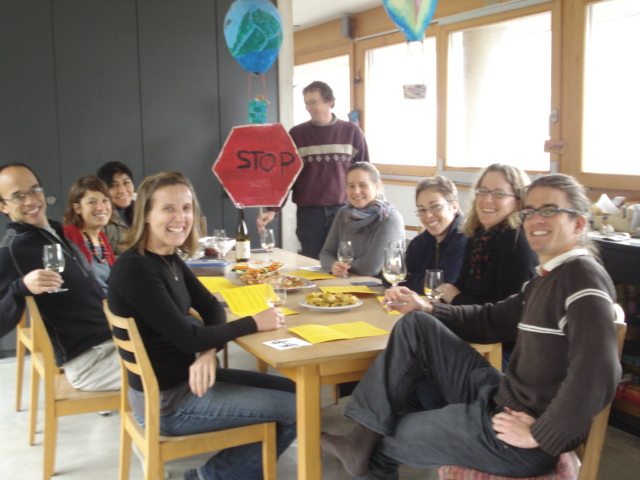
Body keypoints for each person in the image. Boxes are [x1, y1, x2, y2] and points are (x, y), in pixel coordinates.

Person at [321, 173, 621, 479]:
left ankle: (363, 444)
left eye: (549, 210)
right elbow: (490, 321)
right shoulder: (546, 279)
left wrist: (543, 435)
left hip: (514, 438)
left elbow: (601, 371)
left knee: (380, 444)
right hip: (501, 396)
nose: (535, 220)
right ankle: (362, 434)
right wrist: (427, 307)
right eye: (530, 211)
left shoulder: (582, 278)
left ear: (578, 224)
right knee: (417, 325)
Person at [107, 171, 296, 480]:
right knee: (297, 409)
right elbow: (189, 338)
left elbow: (210, 307)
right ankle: (209, 477)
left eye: (186, 208)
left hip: (184, 381)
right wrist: (253, 322)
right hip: (168, 404)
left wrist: (207, 352)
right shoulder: (137, 269)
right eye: (168, 208)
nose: (180, 217)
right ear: (146, 214)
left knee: (293, 389)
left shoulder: (168, 258)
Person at [0, 163, 119, 391]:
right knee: (181, 365)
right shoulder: (12, 250)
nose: (31, 201)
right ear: (3, 206)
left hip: (112, 341)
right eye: (18, 196)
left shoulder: (55, 234)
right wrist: (20, 287)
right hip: (90, 362)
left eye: (34, 190)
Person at [256, 80, 370, 259]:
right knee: (311, 264)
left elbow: (365, 173)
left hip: (344, 211)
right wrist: (273, 209)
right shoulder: (297, 134)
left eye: (313, 102)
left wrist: (368, 207)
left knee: (344, 262)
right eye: (306, 103)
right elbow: (285, 176)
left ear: (330, 101)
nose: (308, 108)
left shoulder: (352, 132)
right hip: (309, 214)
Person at [441, 163, 538, 306]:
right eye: (483, 191)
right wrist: (430, 304)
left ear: (518, 202)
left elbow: (507, 311)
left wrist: (456, 299)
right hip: (466, 317)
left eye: (499, 194)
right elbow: (459, 286)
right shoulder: (478, 235)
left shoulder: (515, 240)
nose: (487, 199)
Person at [319, 162, 404, 278]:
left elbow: (370, 268)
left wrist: (342, 267)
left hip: (378, 285)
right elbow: (326, 253)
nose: (356, 191)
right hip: (345, 280)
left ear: (377, 186)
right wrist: (333, 266)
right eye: (351, 186)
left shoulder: (389, 217)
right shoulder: (344, 213)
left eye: (362, 185)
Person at [402, 176, 467, 295]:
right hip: (423, 303)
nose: (428, 215)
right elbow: (391, 276)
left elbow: (441, 286)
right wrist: (421, 280)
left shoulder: (464, 239)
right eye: (422, 210)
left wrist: (409, 278)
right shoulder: (420, 241)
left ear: (453, 207)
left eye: (435, 207)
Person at [62, 176, 116, 296]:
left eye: (105, 200)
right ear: (77, 208)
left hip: (108, 302)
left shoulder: (102, 237)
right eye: (92, 202)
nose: (101, 207)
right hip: (86, 304)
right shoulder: (67, 234)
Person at [97, 161, 135, 255]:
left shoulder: (143, 212)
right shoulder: (101, 218)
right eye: (113, 185)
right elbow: (101, 258)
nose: (122, 190)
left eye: (126, 183)